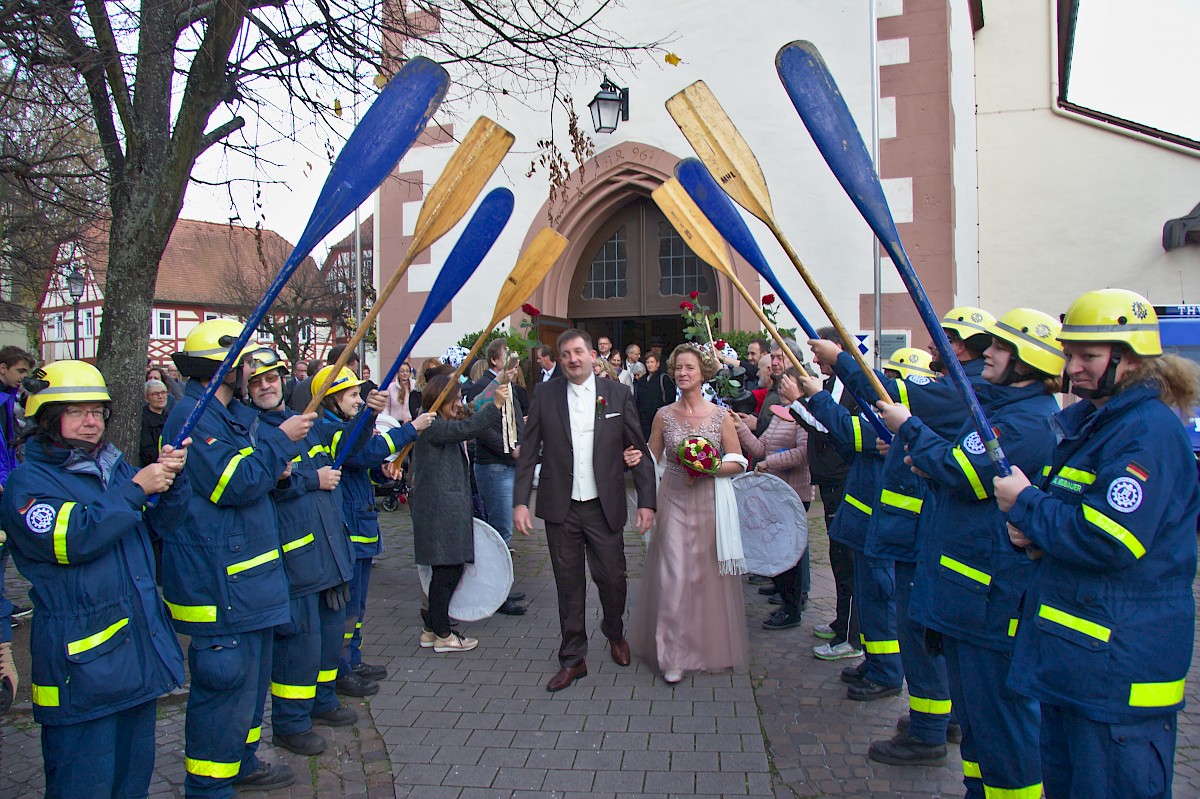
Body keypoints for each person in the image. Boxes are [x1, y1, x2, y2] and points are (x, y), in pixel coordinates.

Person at [994, 290, 1199, 799]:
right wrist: (1035, 537)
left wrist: (1026, 506)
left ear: (1127, 361)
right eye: (1071, 355)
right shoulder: (1099, 423)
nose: (1073, 368)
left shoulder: (1146, 433)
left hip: (1118, 672)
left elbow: (1108, 538)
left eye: (1088, 356)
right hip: (1080, 664)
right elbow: (1077, 514)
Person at [877, 308, 1064, 799]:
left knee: (1004, 730)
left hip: (990, 598)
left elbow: (963, 470)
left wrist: (912, 429)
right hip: (968, 595)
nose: (988, 356)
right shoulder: (1004, 411)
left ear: (1025, 363)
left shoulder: (1024, 423)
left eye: (999, 349)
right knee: (981, 726)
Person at [0, 361, 189, 796]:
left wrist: (170, 482)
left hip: (134, 655)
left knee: (130, 783)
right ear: (48, 419)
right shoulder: (29, 484)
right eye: (76, 412)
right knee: (83, 785)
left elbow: (161, 528)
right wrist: (138, 489)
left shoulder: (113, 466)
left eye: (97, 411)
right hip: (81, 669)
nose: (90, 422)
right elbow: (75, 538)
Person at [824, 311, 995, 757]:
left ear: (960, 346)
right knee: (924, 633)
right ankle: (938, 720)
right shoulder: (965, 387)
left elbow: (886, 401)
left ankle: (928, 730)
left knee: (920, 636)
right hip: (915, 534)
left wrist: (841, 360)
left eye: (941, 341)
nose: (933, 347)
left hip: (920, 538)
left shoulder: (962, 389)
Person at [161, 318, 313, 794]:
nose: (252, 372)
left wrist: (277, 469)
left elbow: (252, 474)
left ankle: (240, 761)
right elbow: (233, 483)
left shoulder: (224, 414)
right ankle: (209, 786)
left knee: (248, 686)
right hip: (220, 583)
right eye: (244, 363)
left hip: (247, 579)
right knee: (224, 688)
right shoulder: (192, 415)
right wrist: (279, 441)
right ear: (223, 368)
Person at [513, 329, 656, 692]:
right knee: (568, 584)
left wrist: (647, 502)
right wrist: (519, 502)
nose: (573, 359)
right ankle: (573, 658)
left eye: (579, 352)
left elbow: (637, 449)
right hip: (560, 508)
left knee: (612, 578)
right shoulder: (544, 395)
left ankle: (614, 632)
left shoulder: (617, 394)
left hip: (603, 506)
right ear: (559, 360)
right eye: (566, 354)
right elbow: (529, 452)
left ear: (593, 355)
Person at [246, 353, 358, 757]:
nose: (266, 386)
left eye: (272, 378)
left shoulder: (305, 424)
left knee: (329, 638)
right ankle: (291, 724)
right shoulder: (253, 431)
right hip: (294, 558)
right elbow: (266, 485)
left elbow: (343, 456)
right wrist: (312, 480)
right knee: (298, 645)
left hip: (328, 550)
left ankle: (322, 700)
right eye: (257, 381)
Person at [631, 343, 748, 683]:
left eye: (690, 368)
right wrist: (632, 461)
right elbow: (650, 460)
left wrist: (710, 467)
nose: (683, 373)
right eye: (678, 367)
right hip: (674, 500)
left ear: (703, 373)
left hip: (709, 502)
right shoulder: (663, 416)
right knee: (673, 576)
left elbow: (738, 460)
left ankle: (702, 646)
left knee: (703, 577)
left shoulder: (720, 416)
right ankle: (672, 653)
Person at [313, 364, 431, 695]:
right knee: (346, 608)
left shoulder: (347, 427)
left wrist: (381, 474)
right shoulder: (331, 429)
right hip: (348, 532)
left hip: (361, 528)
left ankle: (353, 658)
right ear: (332, 400)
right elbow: (361, 452)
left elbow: (363, 464)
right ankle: (340, 668)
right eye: (351, 394)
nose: (356, 399)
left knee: (358, 607)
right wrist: (411, 430)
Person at [412, 368, 509, 651]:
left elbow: (469, 411)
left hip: (444, 508)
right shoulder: (432, 424)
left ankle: (431, 628)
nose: (457, 403)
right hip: (441, 509)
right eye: (453, 398)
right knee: (448, 570)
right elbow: (468, 428)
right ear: (439, 399)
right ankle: (443, 634)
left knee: (447, 568)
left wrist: (496, 386)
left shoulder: (439, 420)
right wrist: (497, 406)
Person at [788, 328, 860, 662]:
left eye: (819, 352)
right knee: (837, 558)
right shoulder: (831, 385)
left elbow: (832, 427)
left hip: (843, 480)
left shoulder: (849, 386)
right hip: (831, 481)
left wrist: (798, 401)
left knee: (847, 560)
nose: (815, 360)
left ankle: (852, 635)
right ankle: (842, 622)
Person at [731, 366, 813, 631]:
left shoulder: (804, 417)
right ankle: (786, 604)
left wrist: (770, 463)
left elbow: (803, 453)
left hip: (793, 493)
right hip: (775, 493)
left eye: (786, 385)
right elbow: (760, 447)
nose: (781, 389)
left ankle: (792, 609)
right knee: (776, 551)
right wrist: (740, 427)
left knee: (791, 555)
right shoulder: (780, 415)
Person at [464, 341, 528, 615]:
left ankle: (502, 585)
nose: (514, 365)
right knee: (500, 530)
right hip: (493, 466)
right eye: (508, 358)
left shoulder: (509, 387)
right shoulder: (484, 388)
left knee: (503, 531)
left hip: (507, 466)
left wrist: (524, 444)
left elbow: (517, 421)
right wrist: (508, 447)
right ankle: (495, 593)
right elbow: (479, 425)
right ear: (494, 361)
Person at [289, 344, 360, 412]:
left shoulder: (303, 385)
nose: (353, 376)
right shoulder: (313, 387)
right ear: (339, 365)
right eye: (351, 371)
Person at [634, 352, 675, 442]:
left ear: (658, 364)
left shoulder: (664, 378)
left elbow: (670, 398)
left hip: (659, 418)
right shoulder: (642, 380)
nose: (649, 365)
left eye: (652, 362)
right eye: (648, 362)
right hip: (644, 420)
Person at [139, 379, 171, 466]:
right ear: (146, 398)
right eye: (155, 394)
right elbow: (147, 452)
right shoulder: (143, 419)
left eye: (163, 392)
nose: (161, 396)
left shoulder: (169, 416)